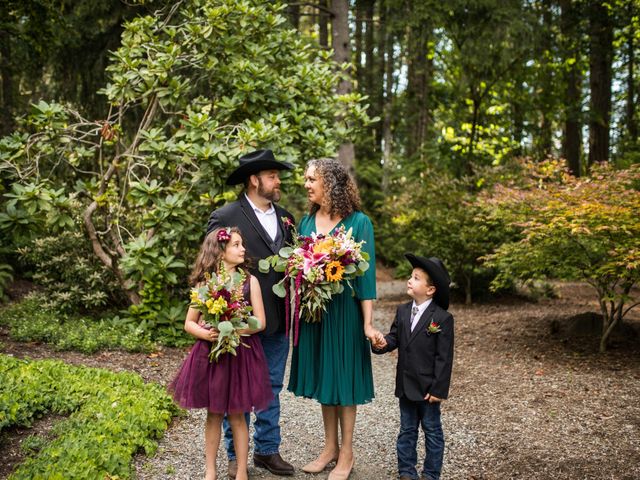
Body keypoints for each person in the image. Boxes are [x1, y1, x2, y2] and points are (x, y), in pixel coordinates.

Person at [287, 157, 384, 480]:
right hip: (315, 313)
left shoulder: (359, 223)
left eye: (311, 178)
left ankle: (347, 453)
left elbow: (366, 281)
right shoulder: (305, 222)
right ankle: (329, 447)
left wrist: (368, 324)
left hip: (344, 314)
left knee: (342, 380)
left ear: (329, 182)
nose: (306, 184)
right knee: (325, 379)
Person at [206, 149, 296, 477]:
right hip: (239, 321)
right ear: (255, 180)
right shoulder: (226, 215)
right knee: (237, 387)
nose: (278, 181)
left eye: (277, 175)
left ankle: (268, 450)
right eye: (273, 176)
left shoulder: (287, 217)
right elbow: (211, 264)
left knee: (271, 384)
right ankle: (235, 456)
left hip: (278, 317)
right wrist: (219, 314)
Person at [169, 227, 273, 480]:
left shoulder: (251, 282)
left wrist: (236, 327)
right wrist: (206, 333)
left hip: (240, 355)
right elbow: (189, 322)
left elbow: (261, 322)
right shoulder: (206, 283)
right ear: (221, 251)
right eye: (236, 245)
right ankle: (210, 471)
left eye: (242, 244)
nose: (242, 249)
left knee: (238, 415)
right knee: (214, 414)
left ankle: (240, 472)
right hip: (212, 355)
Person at [372, 253, 454, 480]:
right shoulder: (403, 311)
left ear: (430, 290)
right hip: (406, 385)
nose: (410, 280)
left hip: (428, 389)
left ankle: (431, 473)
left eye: (416, 278)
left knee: (432, 432)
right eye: (411, 276)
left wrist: (438, 389)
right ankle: (406, 470)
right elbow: (394, 338)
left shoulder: (442, 318)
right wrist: (381, 343)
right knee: (406, 430)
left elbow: (444, 358)